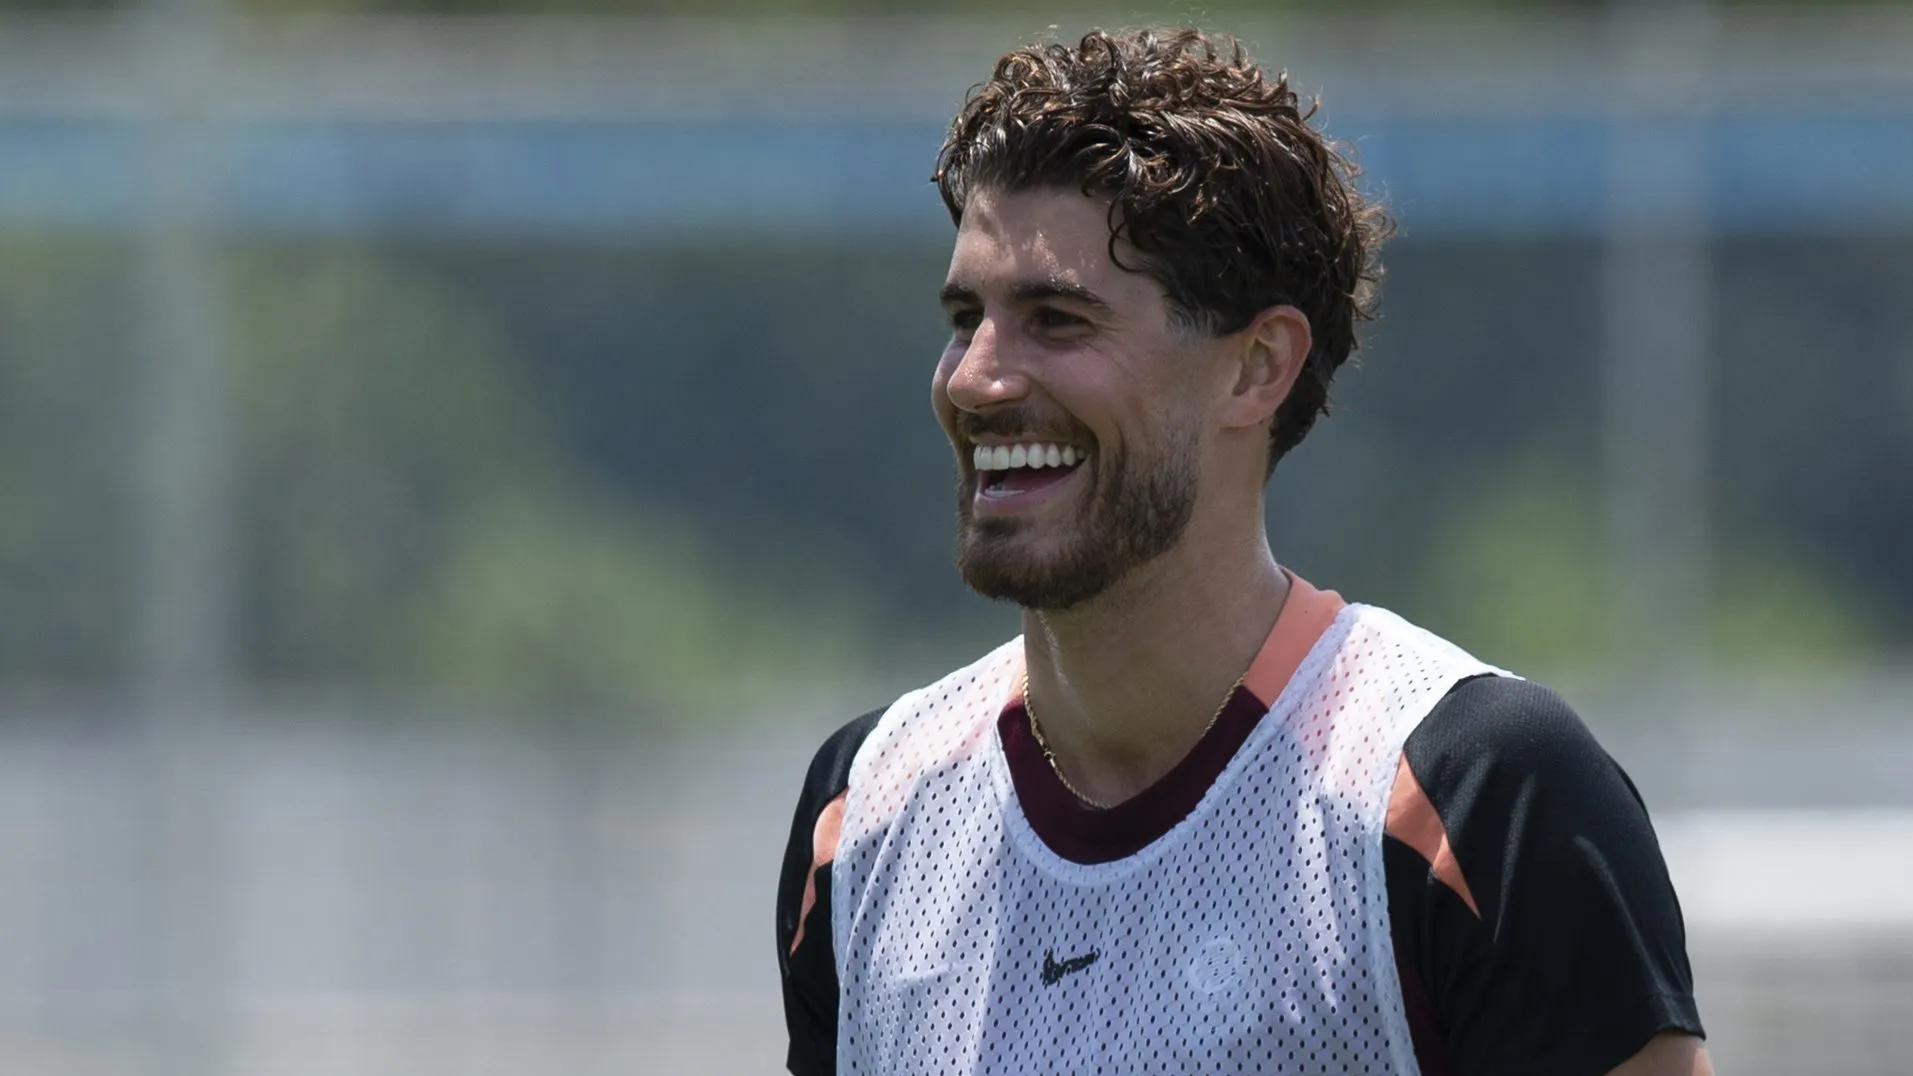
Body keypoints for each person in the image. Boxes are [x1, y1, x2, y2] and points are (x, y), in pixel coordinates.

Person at [776, 26, 1708, 1076]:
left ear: (1255, 367)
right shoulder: (865, 813)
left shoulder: (1470, 792)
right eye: (965, 316)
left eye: (1056, 319)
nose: (974, 379)